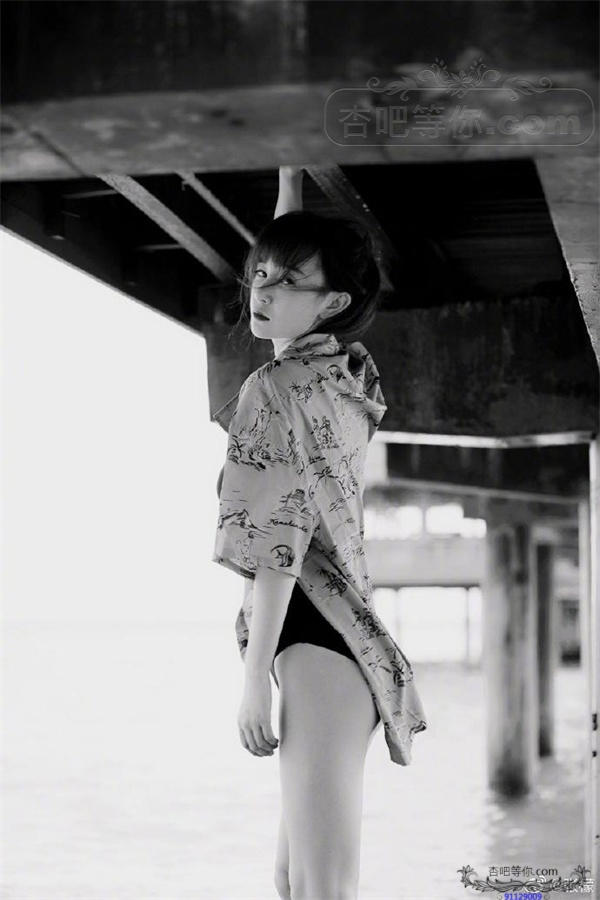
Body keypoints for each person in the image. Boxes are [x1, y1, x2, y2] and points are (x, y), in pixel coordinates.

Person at [212, 166, 427, 900]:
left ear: (333, 302)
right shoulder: (337, 373)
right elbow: (291, 285)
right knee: (294, 880)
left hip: (313, 644)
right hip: (335, 641)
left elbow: (280, 546)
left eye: (285, 283)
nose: (262, 293)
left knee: (318, 888)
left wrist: (253, 682)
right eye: (258, 275)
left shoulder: (276, 389)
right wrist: (288, 177)